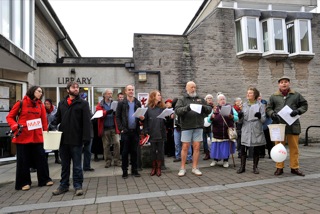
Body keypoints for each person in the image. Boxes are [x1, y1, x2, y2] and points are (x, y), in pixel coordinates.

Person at [6, 86, 53, 191]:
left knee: (41, 158)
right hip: (23, 136)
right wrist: (14, 126)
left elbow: (44, 121)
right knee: (23, 160)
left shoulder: (40, 105)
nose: (41, 93)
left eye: (42, 92)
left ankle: (44, 179)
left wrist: (45, 133)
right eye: (39, 91)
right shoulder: (21, 103)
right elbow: (9, 117)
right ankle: (24, 182)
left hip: (37, 136)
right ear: (33, 91)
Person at [51, 81, 91, 196]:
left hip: (76, 140)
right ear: (68, 90)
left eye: (77, 87)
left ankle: (78, 186)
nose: (76, 89)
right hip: (63, 140)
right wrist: (52, 126)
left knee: (77, 165)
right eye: (73, 87)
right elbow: (57, 118)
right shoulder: (62, 103)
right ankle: (63, 185)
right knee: (65, 165)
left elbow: (86, 123)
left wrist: (86, 139)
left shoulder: (83, 104)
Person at [266, 76, 308, 176]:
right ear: (278, 84)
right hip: (279, 125)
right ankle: (279, 167)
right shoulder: (274, 96)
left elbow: (304, 105)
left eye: (286, 82)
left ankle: (294, 167)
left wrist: (298, 111)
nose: (284, 84)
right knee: (279, 148)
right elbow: (268, 108)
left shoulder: (296, 95)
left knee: (294, 148)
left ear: (289, 83)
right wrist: (272, 114)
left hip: (293, 125)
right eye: (281, 82)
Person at [175, 81, 212, 176]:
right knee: (185, 147)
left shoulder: (200, 99)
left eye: (194, 87)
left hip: (198, 126)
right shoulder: (182, 99)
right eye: (191, 87)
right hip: (186, 127)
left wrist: (203, 107)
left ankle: (195, 167)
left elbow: (209, 109)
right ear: (186, 88)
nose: (193, 89)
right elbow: (177, 111)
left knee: (197, 147)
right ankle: (182, 168)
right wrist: (187, 108)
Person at [116, 84, 144, 179]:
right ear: (126, 91)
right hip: (125, 131)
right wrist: (121, 128)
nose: (131, 91)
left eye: (132, 89)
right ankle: (124, 171)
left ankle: (134, 170)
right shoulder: (121, 103)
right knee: (124, 152)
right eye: (129, 90)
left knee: (134, 151)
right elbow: (117, 117)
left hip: (135, 131)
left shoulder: (137, 102)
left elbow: (140, 116)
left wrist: (142, 118)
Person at [237, 87, 266, 174]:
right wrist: (240, 116)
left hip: (256, 127)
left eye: (250, 93)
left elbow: (264, 120)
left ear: (255, 95)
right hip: (246, 128)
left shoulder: (261, 105)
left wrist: (260, 116)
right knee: (243, 148)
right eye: (247, 93)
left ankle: (255, 167)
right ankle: (242, 167)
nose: (248, 94)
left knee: (256, 148)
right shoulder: (244, 105)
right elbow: (240, 121)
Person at [208, 94, 238, 168]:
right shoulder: (215, 109)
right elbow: (209, 120)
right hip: (217, 132)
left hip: (227, 132)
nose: (222, 101)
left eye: (223, 99)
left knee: (226, 147)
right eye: (221, 99)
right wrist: (212, 117)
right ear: (218, 101)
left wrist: (232, 116)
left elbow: (236, 118)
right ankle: (215, 160)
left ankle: (225, 160)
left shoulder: (231, 108)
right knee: (216, 147)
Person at [143, 90, 167, 176]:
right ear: (153, 96)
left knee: (160, 151)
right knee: (153, 151)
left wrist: (168, 117)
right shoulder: (148, 108)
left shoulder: (163, 108)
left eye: (160, 95)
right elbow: (145, 121)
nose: (160, 96)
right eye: (158, 95)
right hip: (152, 132)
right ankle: (153, 168)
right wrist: (146, 131)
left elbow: (167, 122)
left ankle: (159, 168)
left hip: (161, 132)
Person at [96, 89, 121, 168]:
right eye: (108, 93)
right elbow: (98, 113)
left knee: (117, 143)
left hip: (114, 127)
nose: (110, 95)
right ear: (104, 95)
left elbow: (119, 113)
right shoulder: (100, 104)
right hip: (105, 128)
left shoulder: (114, 103)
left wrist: (115, 112)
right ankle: (108, 161)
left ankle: (116, 160)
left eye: (111, 93)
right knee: (106, 145)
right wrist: (106, 112)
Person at [172, 98, 193, 163]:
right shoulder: (174, 110)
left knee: (186, 143)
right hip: (176, 128)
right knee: (177, 143)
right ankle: (178, 156)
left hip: (184, 128)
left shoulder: (183, 109)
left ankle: (189, 157)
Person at [80, 92, 94, 172]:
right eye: (83, 98)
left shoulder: (87, 107)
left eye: (85, 98)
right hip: (80, 132)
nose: (85, 99)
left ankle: (87, 166)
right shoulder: (78, 107)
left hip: (89, 132)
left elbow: (91, 116)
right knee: (79, 151)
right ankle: (79, 167)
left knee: (88, 150)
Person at [44, 98, 61, 164]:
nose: (46, 105)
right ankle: (46, 159)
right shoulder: (43, 110)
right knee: (47, 144)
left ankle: (57, 158)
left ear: (51, 104)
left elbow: (57, 118)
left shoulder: (55, 110)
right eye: (45, 104)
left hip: (53, 127)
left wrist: (53, 125)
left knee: (55, 143)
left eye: (48, 104)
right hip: (46, 129)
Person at [203, 94, 214, 160]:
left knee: (212, 140)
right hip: (204, 125)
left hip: (211, 125)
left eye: (210, 98)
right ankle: (207, 153)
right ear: (206, 100)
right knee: (204, 141)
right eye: (208, 98)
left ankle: (213, 153)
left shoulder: (214, 107)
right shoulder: (203, 107)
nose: (209, 99)